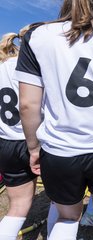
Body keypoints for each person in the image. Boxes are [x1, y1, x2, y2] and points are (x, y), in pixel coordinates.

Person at [15, 0, 93, 239]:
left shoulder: (37, 37)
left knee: (67, 218)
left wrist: (33, 147)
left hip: (60, 151)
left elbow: (28, 105)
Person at [0, 30, 39, 240]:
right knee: (65, 202)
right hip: (33, 139)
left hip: (6, 142)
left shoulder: (2, 66)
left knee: (17, 208)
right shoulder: (31, 66)